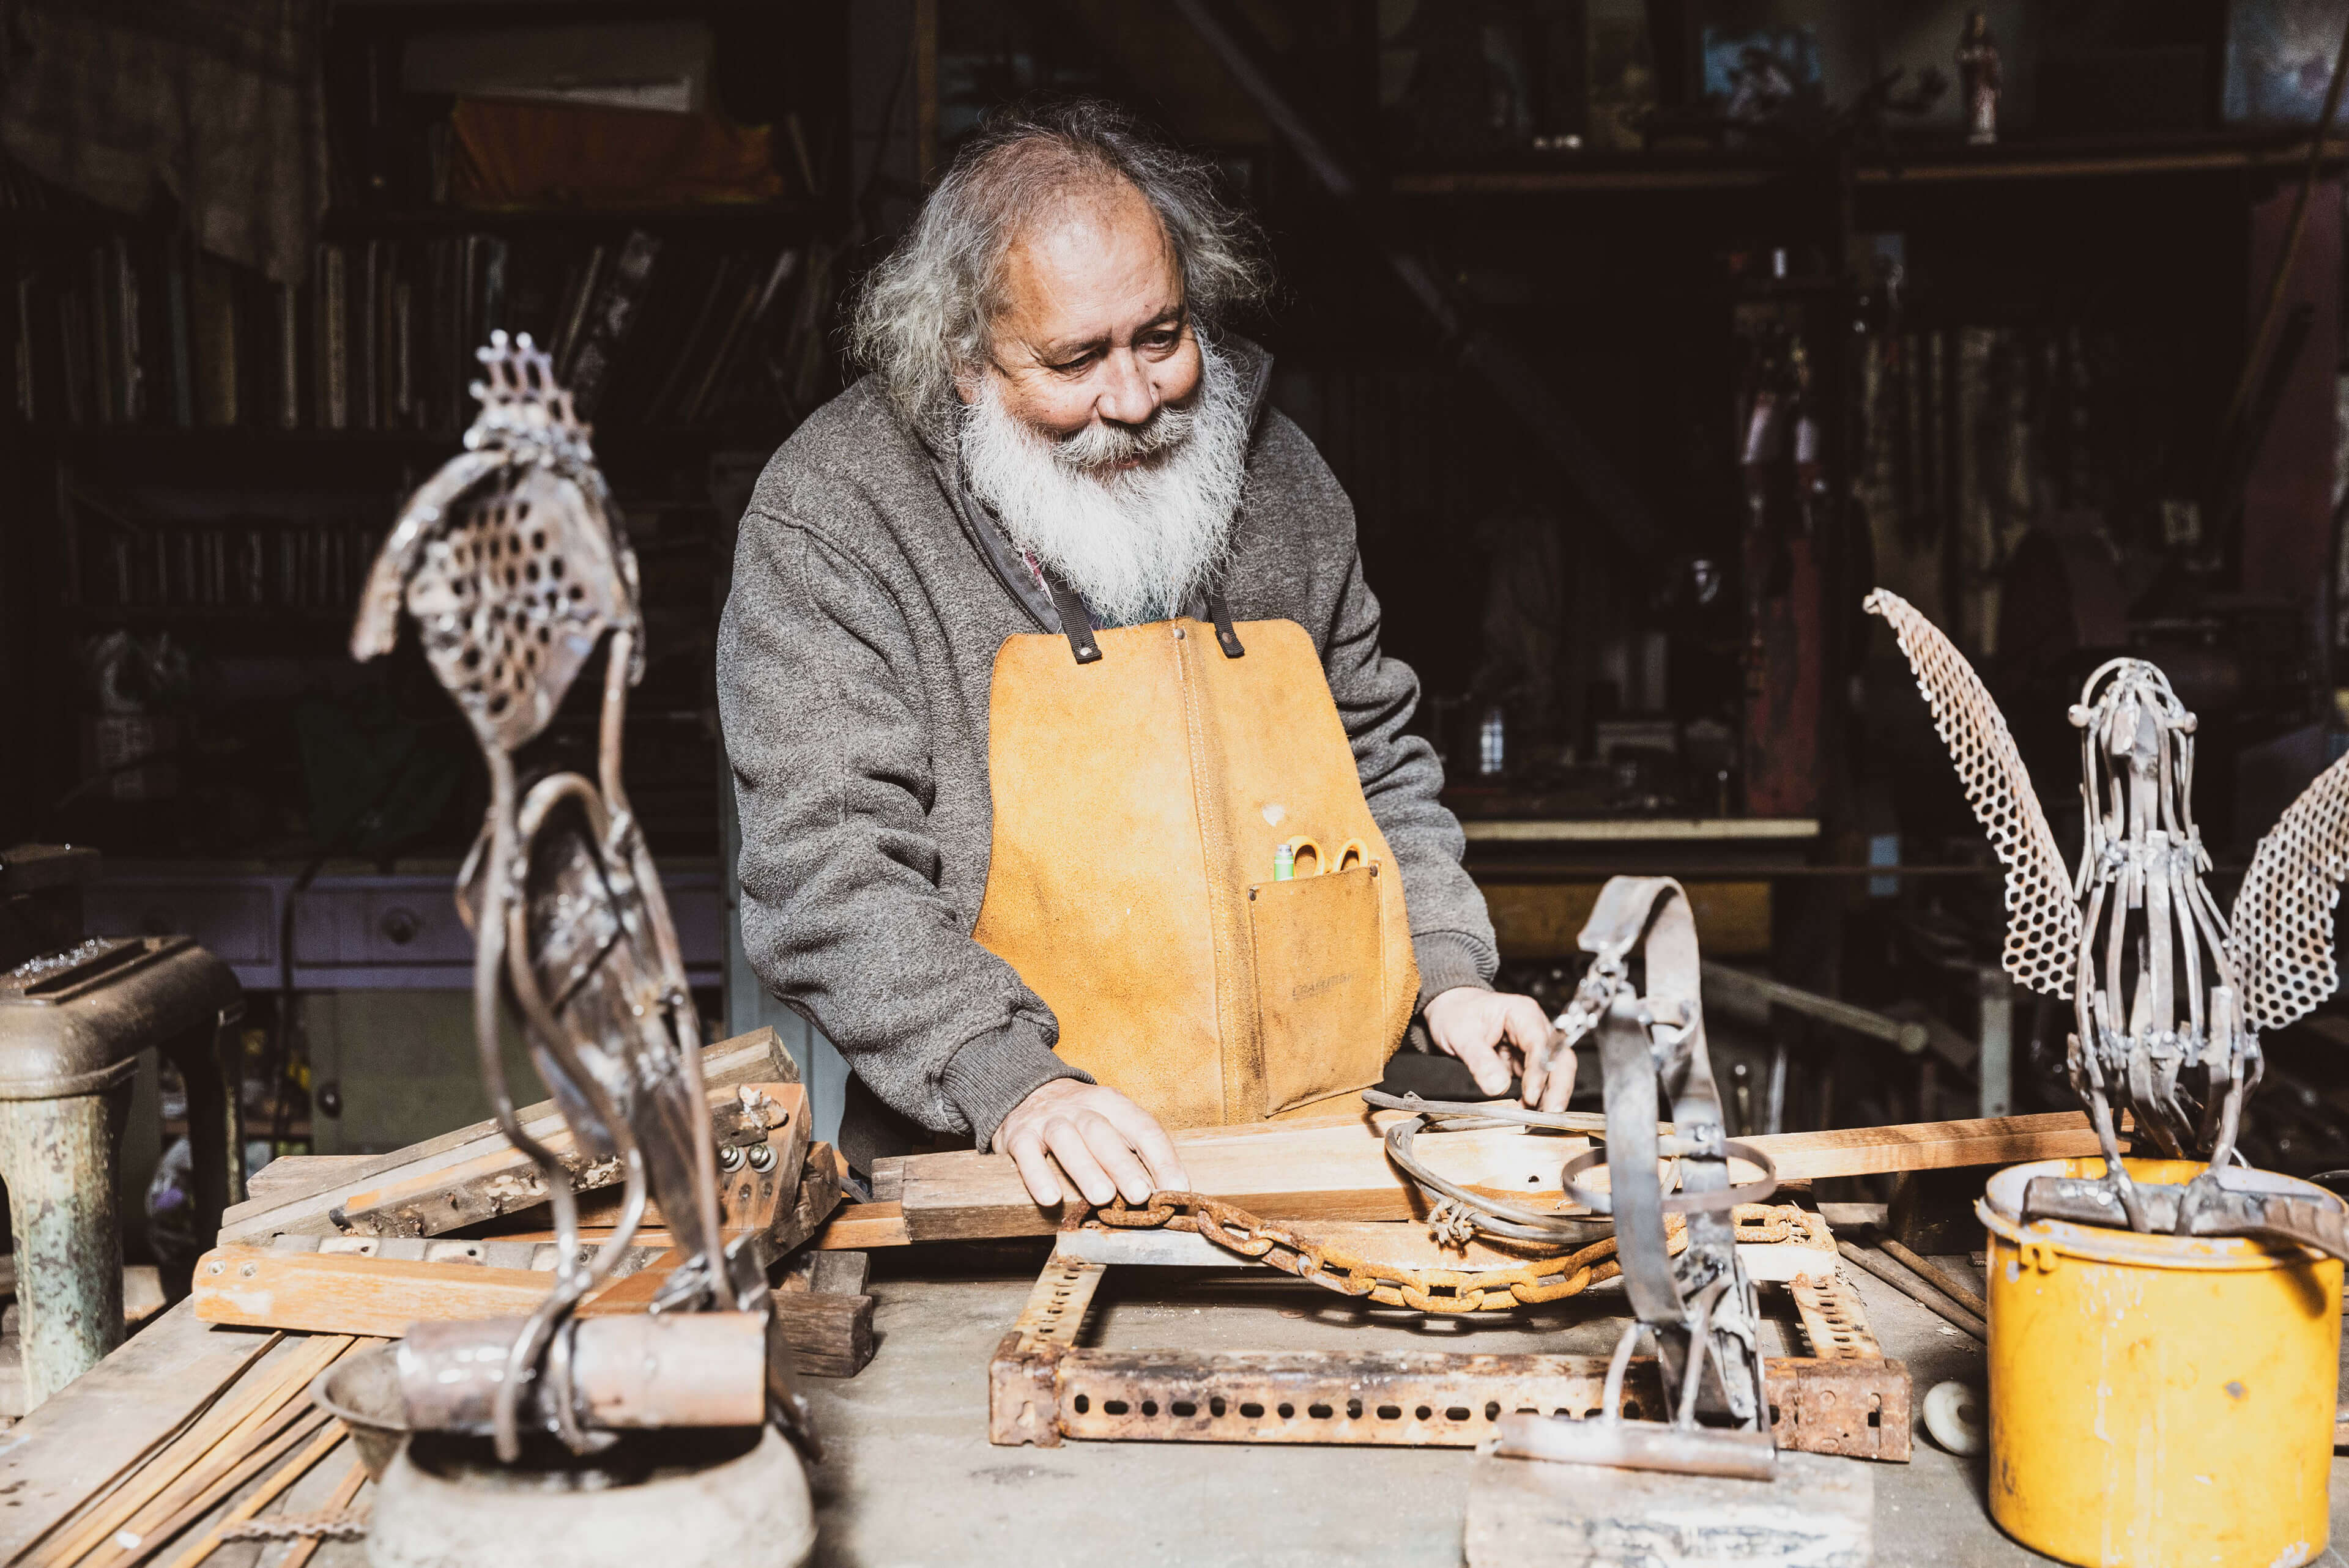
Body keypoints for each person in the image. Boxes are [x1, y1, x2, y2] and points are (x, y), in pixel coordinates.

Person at [716, 98, 1567, 1211]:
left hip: (1318, 1159)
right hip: (1003, 1172)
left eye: (1161, 338)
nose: (1135, 401)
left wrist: (1450, 976)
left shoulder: (1284, 483)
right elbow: (826, 870)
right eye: (1075, 361)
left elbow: (1372, 764)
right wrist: (1013, 1082)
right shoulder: (834, 516)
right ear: (967, 362)